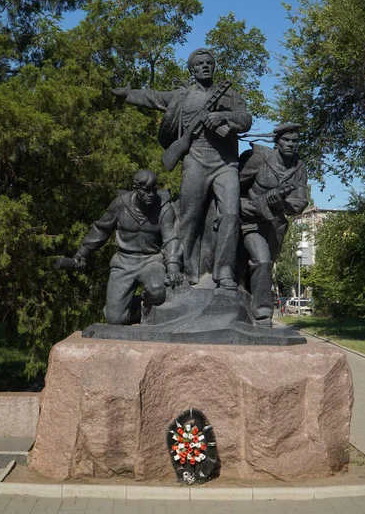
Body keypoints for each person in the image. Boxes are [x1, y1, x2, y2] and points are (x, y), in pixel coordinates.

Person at [113, 48, 251, 289]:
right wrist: (127, 94)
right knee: (189, 216)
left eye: (209, 63)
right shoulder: (182, 96)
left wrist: (223, 117)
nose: (205, 66)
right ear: (192, 69)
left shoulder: (229, 94)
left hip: (225, 163)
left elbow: (245, 119)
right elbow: (153, 97)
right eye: (200, 64)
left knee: (230, 214)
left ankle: (225, 272)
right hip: (195, 158)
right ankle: (184, 273)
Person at [72, 170, 183, 324]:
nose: (150, 195)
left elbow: (171, 240)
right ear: (135, 189)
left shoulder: (164, 208)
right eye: (145, 191)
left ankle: (149, 308)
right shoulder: (120, 205)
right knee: (115, 318)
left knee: (157, 291)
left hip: (151, 261)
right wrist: (82, 252)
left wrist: (173, 268)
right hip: (124, 262)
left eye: (154, 190)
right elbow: (101, 230)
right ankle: (133, 307)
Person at [239, 123, 308, 325]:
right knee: (262, 261)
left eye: (294, 141)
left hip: (275, 227)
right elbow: (231, 184)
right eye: (286, 140)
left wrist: (285, 204)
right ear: (277, 141)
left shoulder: (299, 168)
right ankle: (263, 316)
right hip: (251, 222)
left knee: (265, 267)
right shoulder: (258, 158)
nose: (290, 144)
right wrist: (240, 203)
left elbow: (300, 201)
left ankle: (249, 307)